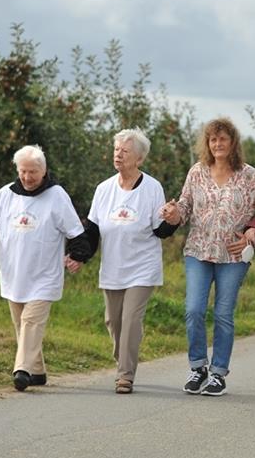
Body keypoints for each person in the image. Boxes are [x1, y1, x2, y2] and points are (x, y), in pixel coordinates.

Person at [161, 117, 255, 397]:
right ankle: (198, 367)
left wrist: (254, 234)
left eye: (223, 139)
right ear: (207, 143)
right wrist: (173, 214)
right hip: (198, 251)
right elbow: (185, 207)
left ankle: (218, 374)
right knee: (193, 310)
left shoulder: (249, 175)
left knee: (224, 314)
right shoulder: (197, 172)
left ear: (233, 142)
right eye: (213, 139)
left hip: (233, 255)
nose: (217, 144)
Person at [0, 145, 88, 391]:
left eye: (33, 172)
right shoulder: (6, 194)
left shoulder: (57, 196)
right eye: (23, 171)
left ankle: (22, 370)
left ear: (44, 171)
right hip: (14, 273)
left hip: (45, 275)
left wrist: (78, 255)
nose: (28, 178)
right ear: (17, 170)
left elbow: (75, 231)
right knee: (21, 324)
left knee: (31, 321)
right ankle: (37, 371)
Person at [65, 129, 177, 394]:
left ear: (138, 159)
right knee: (113, 322)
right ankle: (124, 357)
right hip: (113, 267)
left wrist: (174, 220)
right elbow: (92, 230)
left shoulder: (152, 188)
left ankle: (125, 375)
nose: (118, 155)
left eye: (124, 151)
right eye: (116, 150)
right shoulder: (103, 189)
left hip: (142, 267)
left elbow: (161, 230)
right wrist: (79, 255)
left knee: (130, 320)